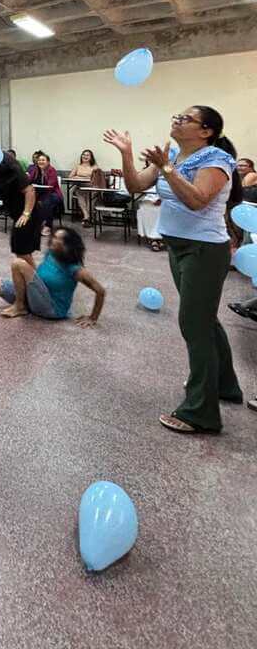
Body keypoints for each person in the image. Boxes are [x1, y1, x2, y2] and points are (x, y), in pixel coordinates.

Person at [104, 106, 243, 434]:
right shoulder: (172, 154)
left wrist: (166, 168)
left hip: (204, 249)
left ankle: (201, 413)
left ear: (206, 131)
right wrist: (127, 153)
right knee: (204, 320)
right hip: (178, 247)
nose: (176, 121)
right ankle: (225, 385)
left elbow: (198, 200)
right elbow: (136, 185)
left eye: (185, 119)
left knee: (194, 325)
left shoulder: (216, 159)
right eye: (176, 117)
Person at [28, 153, 63, 236]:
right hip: (40, 194)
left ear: (48, 162)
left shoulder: (52, 170)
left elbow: (51, 185)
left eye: (43, 160)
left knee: (46, 202)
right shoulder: (35, 170)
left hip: (53, 193)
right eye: (39, 160)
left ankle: (48, 226)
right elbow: (29, 180)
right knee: (28, 199)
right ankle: (33, 224)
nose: (41, 162)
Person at [68, 149, 105, 226]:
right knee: (79, 193)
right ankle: (87, 216)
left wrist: (80, 177)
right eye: (84, 155)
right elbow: (70, 177)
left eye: (87, 155)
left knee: (90, 197)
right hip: (80, 187)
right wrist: (78, 177)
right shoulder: (77, 166)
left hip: (92, 187)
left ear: (91, 157)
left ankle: (87, 218)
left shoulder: (95, 167)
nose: (85, 156)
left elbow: (96, 179)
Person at [136, 186, 164, 252]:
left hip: (164, 201)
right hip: (147, 200)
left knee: (160, 211)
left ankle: (156, 239)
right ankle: (154, 239)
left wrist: (161, 200)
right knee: (144, 210)